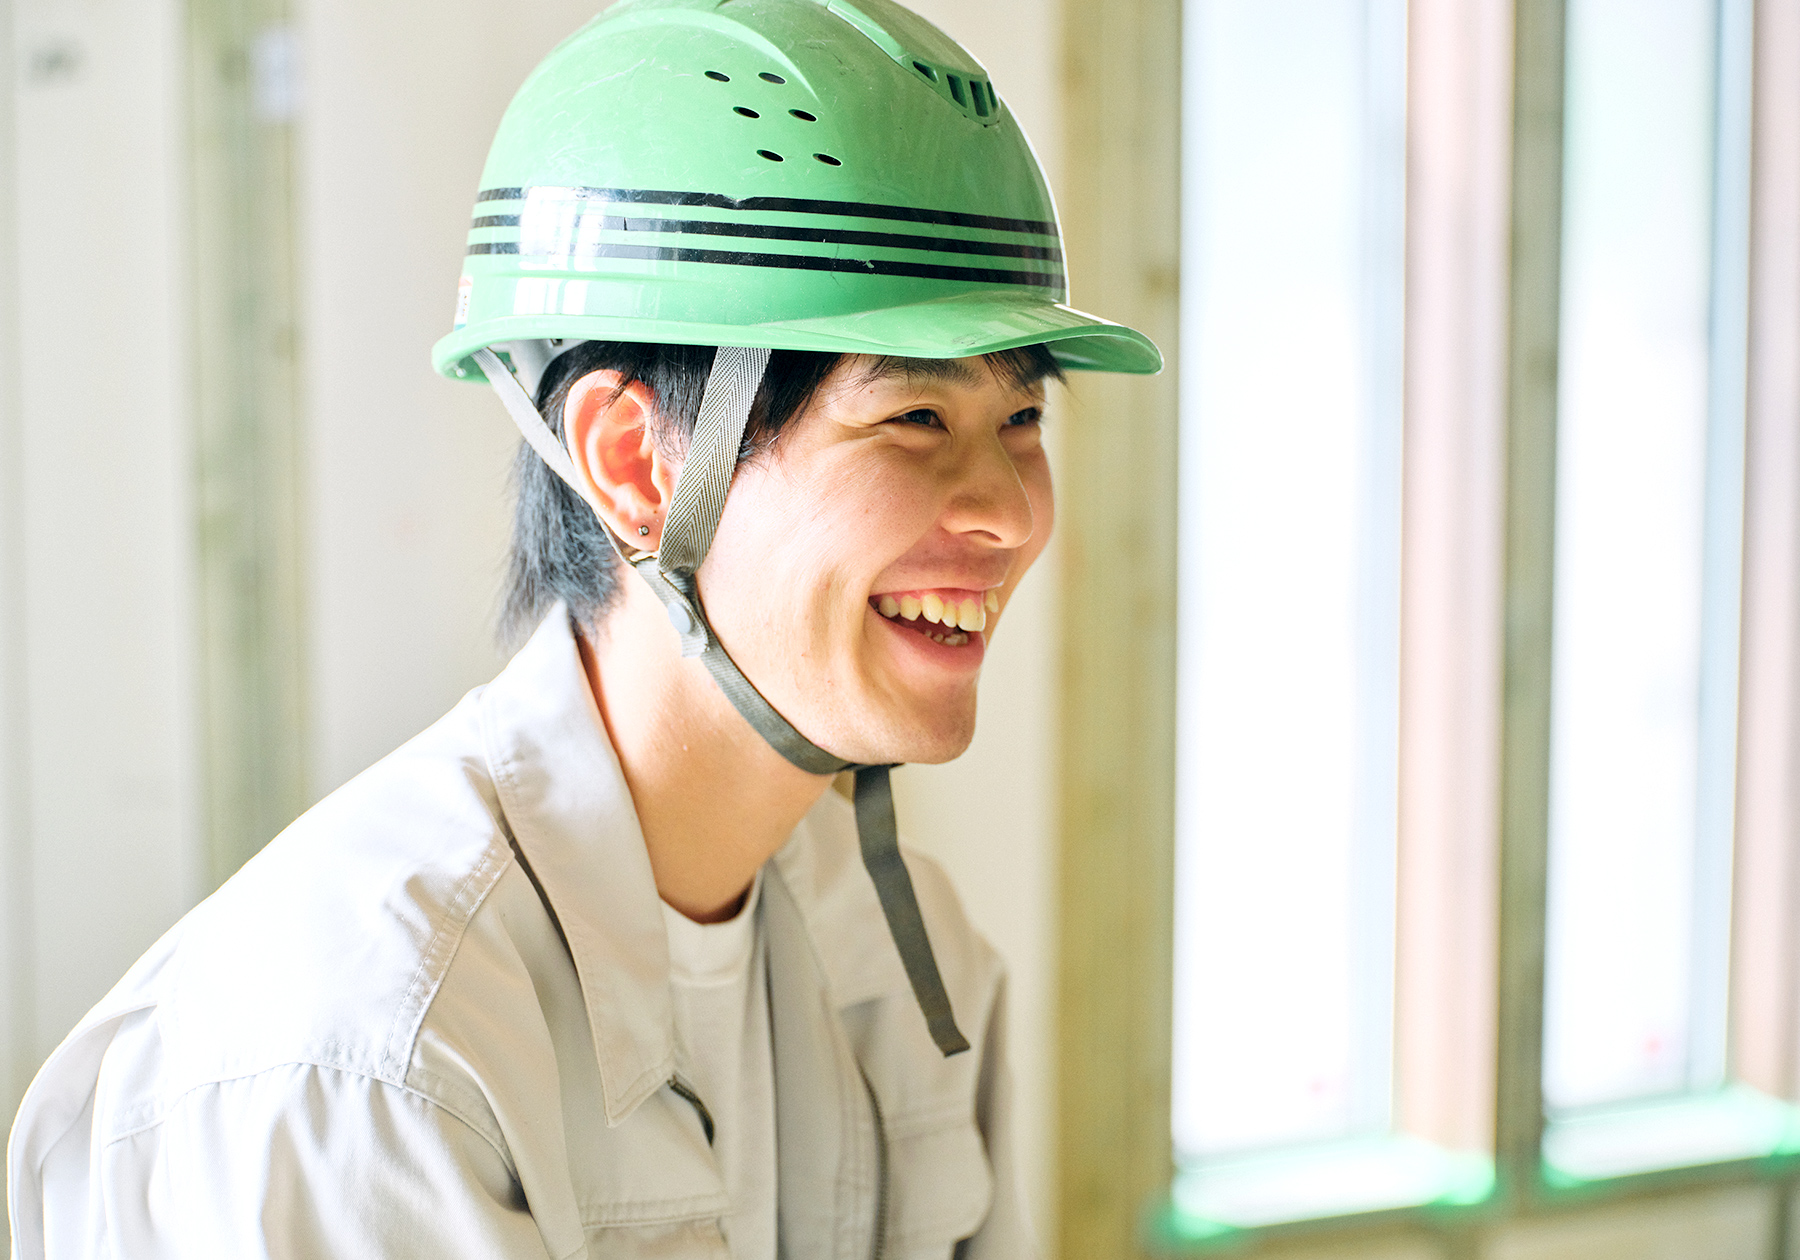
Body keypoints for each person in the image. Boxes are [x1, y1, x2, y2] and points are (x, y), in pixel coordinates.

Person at [6, 0, 1159, 1255]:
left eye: (1022, 420)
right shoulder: (377, 1062)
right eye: (915, 420)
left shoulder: (906, 955)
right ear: (635, 461)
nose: (1009, 514)